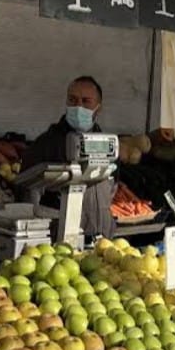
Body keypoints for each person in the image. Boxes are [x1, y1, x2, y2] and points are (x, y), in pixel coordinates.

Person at [21, 76, 115, 238]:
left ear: (98, 108)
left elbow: (113, 187)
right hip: (58, 238)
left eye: (86, 101)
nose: (78, 106)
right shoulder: (45, 144)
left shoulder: (108, 145)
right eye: (73, 100)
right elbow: (27, 194)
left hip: (101, 237)